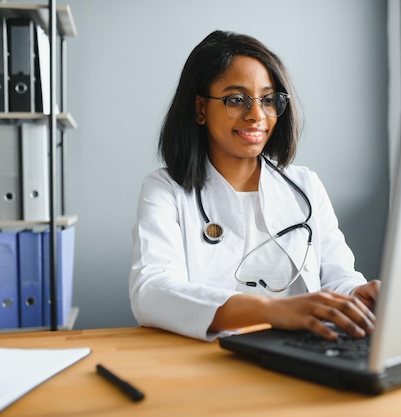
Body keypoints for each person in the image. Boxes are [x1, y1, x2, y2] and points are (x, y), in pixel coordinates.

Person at [129, 30, 380, 342]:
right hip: (212, 358)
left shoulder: (305, 185)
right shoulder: (166, 189)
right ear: (200, 109)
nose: (257, 115)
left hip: (308, 350)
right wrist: (271, 310)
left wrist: (357, 294)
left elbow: (336, 274)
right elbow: (151, 292)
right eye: (237, 100)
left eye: (268, 100)